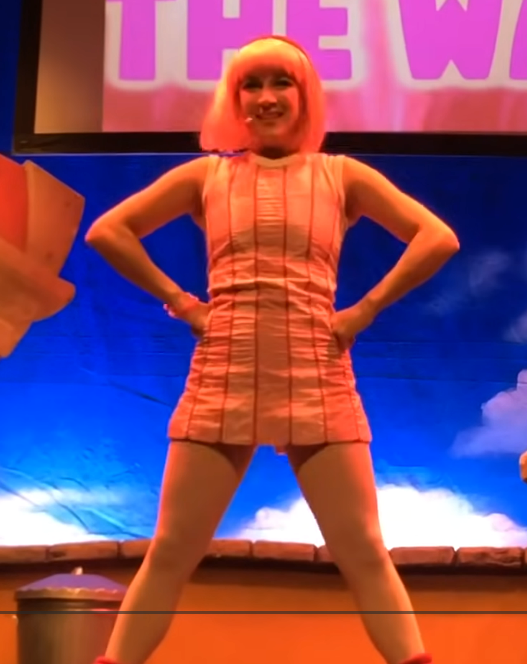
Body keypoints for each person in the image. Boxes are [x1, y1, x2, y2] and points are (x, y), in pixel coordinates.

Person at [86, 35, 459, 664]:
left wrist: (363, 311)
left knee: (364, 550)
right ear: (234, 101)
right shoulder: (208, 176)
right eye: (250, 85)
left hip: (316, 371)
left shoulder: (340, 175)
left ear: (304, 95)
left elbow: (437, 237)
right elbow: (108, 231)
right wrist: (183, 303)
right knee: (172, 549)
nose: (266, 98)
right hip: (223, 370)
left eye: (280, 82)